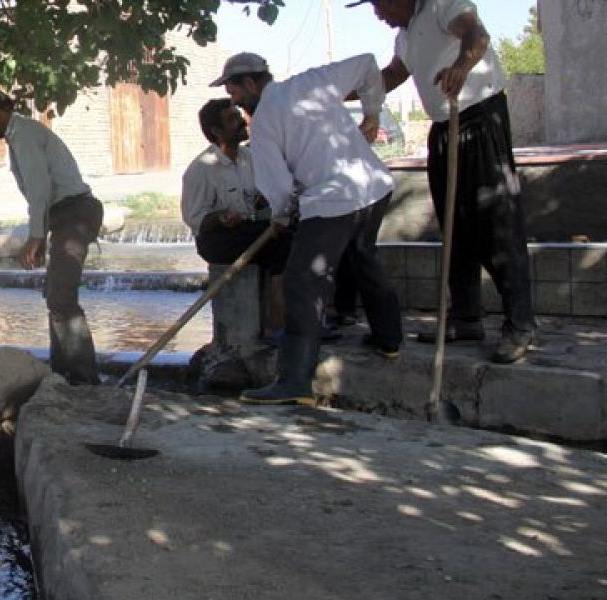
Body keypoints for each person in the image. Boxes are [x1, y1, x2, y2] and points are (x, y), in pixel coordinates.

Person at [211, 52, 403, 405]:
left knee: (301, 281)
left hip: (332, 199)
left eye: (235, 91)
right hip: (374, 187)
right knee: (363, 257)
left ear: (252, 83)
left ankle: (295, 380)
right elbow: (367, 64)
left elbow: (278, 187)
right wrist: (372, 111)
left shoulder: (265, 119)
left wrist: (282, 217)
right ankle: (389, 339)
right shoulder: (311, 80)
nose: (235, 100)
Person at [349, 0, 535, 363]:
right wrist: (335, 93)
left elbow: (475, 35)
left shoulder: (442, 5)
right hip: (444, 126)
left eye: (377, 5)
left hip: (480, 117)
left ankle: (521, 324)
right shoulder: (404, 37)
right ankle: (466, 318)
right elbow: (390, 77)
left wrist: (461, 67)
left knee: (496, 222)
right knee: (454, 223)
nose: (377, 14)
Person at [0, 89, 104, 385]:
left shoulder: (24, 135)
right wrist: (41, 234)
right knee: (56, 295)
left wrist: (35, 236)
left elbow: (39, 190)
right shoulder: (21, 134)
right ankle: (65, 372)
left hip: (74, 213)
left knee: (61, 297)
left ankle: (81, 379)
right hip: (68, 215)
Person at [181, 98, 293, 344]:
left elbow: (260, 197)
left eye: (238, 114)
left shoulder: (249, 158)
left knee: (293, 233)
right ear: (217, 132)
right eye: (232, 119)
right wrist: (220, 218)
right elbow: (194, 219)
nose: (242, 121)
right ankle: (277, 325)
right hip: (217, 240)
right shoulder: (201, 169)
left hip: (249, 229)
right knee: (279, 245)